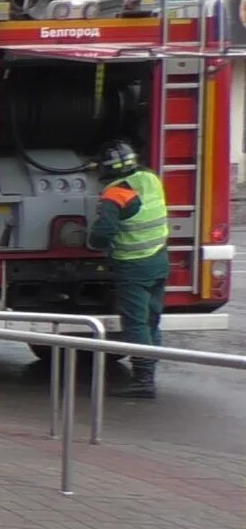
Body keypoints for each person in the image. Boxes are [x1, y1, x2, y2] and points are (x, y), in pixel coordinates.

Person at [88, 139, 170, 399]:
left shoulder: (114, 195)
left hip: (133, 267)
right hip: (158, 261)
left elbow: (102, 235)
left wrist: (89, 239)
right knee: (152, 318)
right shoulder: (150, 178)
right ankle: (150, 369)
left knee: (136, 323)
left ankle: (143, 380)